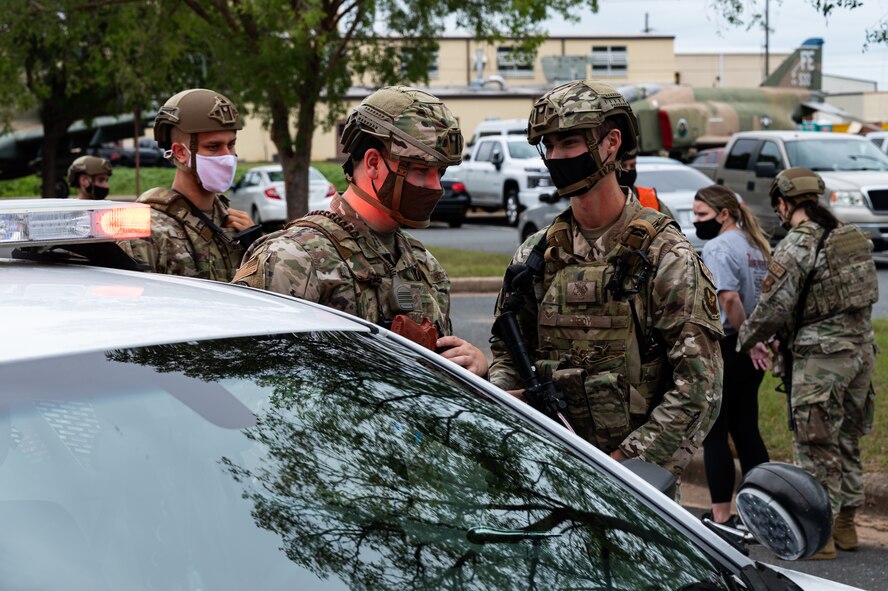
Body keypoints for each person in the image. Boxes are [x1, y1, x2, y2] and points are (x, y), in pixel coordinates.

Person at [488, 79, 724, 479]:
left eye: (569, 143)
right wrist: (509, 396)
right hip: (547, 471)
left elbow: (699, 388)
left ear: (611, 143)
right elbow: (507, 350)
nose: (557, 157)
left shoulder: (666, 256)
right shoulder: (537, 254)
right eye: (550, 146)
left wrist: (621, 468)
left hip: (634, 486)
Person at [232, 86, 488, 377]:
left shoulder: (424, 265)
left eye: (440, 173)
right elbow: (253, 381)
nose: (435, 186)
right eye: (421, 170)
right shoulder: (293, 260)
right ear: (374, 163)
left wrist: (473, 371)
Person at [738, 167, 878, 560]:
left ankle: (824, 536)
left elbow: (773, 308)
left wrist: (745, 340)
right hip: (861, 353)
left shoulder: (797, 244)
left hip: (821, 360)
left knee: (816, 445)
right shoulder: (849, 236)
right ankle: (847, 526)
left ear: (784, 203)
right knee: (847, 439)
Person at [692, 184, 771, 527]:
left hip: (729, 344)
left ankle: (722, 515)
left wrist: (748, 337)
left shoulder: (718, 247)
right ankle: (762, 511)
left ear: (724, 214)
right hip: (753, 351)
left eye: (702, 215)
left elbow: (728, 299)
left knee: (715, 433)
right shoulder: (756, 246)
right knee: (747, 429)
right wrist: (759, 338)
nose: (696, 221)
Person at [118, 88, 258, 281]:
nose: (227, 156)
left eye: (231, 144)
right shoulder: (147, 232)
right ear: (181, 153)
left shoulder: (235, 224)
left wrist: (256, 248)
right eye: (213, 147)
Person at [616, 147, 673, 217]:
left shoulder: (649, 197)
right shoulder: (606, 199)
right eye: (624, 166)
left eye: (632, 166)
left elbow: (669, 223)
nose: (629, 170)